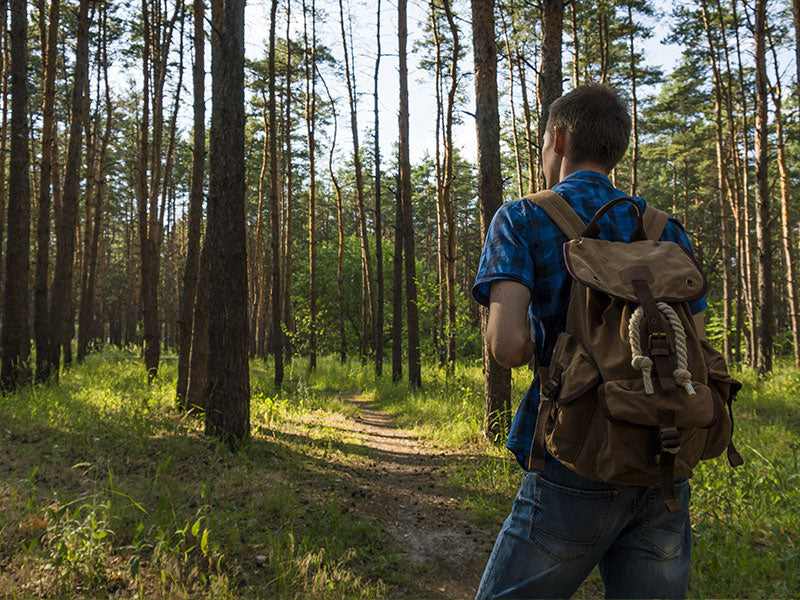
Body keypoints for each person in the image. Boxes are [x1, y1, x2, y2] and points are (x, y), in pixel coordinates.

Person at [471, 83, 707, 599]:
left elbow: (507, 348)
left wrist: (558, 341)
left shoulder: (522, 218)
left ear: (558, 137)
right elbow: (698, 347)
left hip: (572, 455)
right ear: (615, 148)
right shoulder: (666, 231)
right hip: (663, 455)